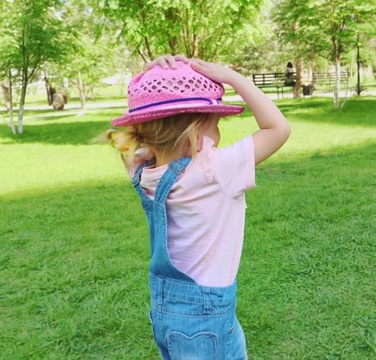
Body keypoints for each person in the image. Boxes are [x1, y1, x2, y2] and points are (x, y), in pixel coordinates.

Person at [104, 54, 290, 359]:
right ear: (195, 130)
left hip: (167, 310)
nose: (219, 134)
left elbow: (136, 138)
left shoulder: (141, 168)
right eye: (215, 123)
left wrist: (149, 80)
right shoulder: (214, 169)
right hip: (208, 312)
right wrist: (233, 77)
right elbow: (278, 128)